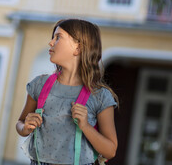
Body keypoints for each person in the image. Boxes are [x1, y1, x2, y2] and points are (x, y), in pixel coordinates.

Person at [16, 19, 118, 165]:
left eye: (58, 37)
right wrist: (25, 127)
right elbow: (20, 123)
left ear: (78, 48)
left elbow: (110, 150)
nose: (51, 43)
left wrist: (85, 126)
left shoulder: (100, 96)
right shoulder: (39, 85)